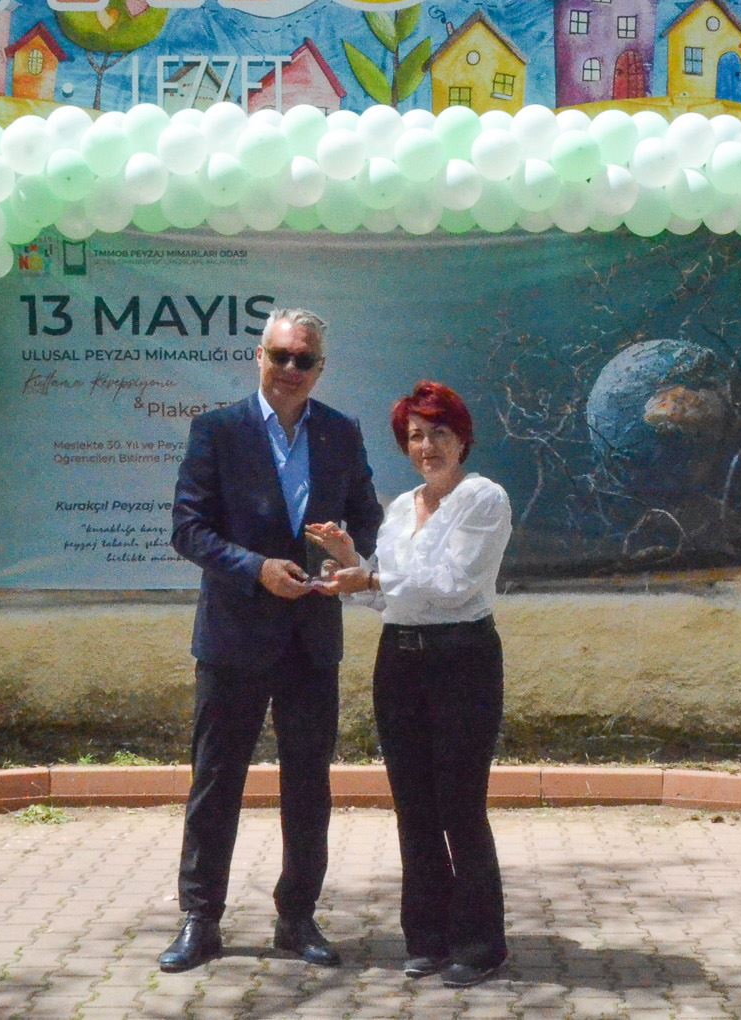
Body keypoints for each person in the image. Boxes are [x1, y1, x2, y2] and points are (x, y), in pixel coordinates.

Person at [157, 307, 382, 973]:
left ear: (320, 368)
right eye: (279, 355)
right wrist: (254, 568)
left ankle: (297, 917)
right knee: (215, 782)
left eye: (303, 360)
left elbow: (367, 517)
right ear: (259, 357)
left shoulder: (340, 432)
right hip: (234, 637)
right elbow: (188, 529)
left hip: (311, 638)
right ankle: (201, 920)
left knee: (308, 785)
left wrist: (346, 555)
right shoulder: (217, 431)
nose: (290, 369)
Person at [308, 381, 514, 989]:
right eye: (416, 436)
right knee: (414, 807)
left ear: (462, 439)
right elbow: (391, 598)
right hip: (399, 662)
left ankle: (481, 944)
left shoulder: (483, 499)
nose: (428, 446)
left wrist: (369, 580)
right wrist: (351, 561)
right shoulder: (401, 508)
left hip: (462, 660)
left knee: (460, 805)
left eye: (439, 433)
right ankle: (427, 937)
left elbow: (450, 585)